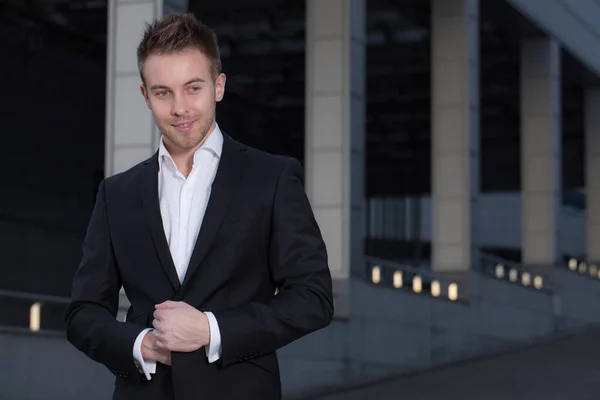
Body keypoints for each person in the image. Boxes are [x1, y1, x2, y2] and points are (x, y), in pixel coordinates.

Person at [65, 12, 334, 400]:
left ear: (218, 86)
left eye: (193, 88)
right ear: (145, 95)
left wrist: (211, 330)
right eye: (163, 92)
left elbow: (314, 297)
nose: (179, 108)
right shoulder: (116, 194)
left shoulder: (272, 178)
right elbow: (83, 313)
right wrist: (141, 345)